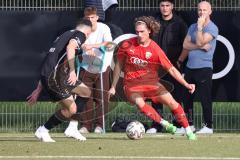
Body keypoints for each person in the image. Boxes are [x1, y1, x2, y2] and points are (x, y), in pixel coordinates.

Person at [108, 16, 197, 140]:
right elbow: (118, 65)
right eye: (137, 31)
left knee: (172, 103)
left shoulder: (155, 49)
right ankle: (165, 124)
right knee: (140, 103)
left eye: (142, 31)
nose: (139, 34)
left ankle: (189, 131)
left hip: (151, 83)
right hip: (132, 85)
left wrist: (186, 84)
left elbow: (171, 69)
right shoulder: (127, 45)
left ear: (149, 30)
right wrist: (113, 86)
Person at [26, 19, 92, 142]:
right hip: (55, 78)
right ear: (88, 32)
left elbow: (49, 62)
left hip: (54, 76)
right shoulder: (80, 34)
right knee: (71, 109)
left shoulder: (64, 35)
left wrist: (38, 89)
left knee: (85, 92)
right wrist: (72, 71)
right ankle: (43, 130)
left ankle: (72, 128)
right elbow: (71, 48)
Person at [64, 6, 113, 135]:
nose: (90, 20)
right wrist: (85, 47)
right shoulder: (82, 29)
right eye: (88, 18)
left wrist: (92, 45)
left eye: (92, 17)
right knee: (85, 96)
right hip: (86, 66)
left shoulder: (104, 28)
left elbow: (109, 44)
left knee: (101, 97)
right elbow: (77, 44)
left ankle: (100, 125)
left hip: (103, 67)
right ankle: (86, 125)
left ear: (97, 17)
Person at [146, 0, 191, 134]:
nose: (164, 8)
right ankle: (156, 124)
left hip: (173, 65)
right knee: (155, 95)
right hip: (155, 65)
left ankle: (178, 124)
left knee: (176, 96)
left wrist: (179, 61)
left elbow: (186, 44)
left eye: (167, 6)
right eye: (162, 5)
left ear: (172, 7)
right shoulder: (153, 22)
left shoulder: (180, 23)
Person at [178, 1, 219, 134]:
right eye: (200, 10)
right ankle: (189, 126)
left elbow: (200, 40)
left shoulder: (212, 28)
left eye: (204, 10)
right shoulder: (192, 27)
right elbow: (185, 44)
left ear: (210, 11)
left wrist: (200, 28)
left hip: (204, 68)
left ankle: (208, 126)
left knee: (204, 98)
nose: (201, 12)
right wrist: (200, 46)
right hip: (190, 67)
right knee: (187, 99)